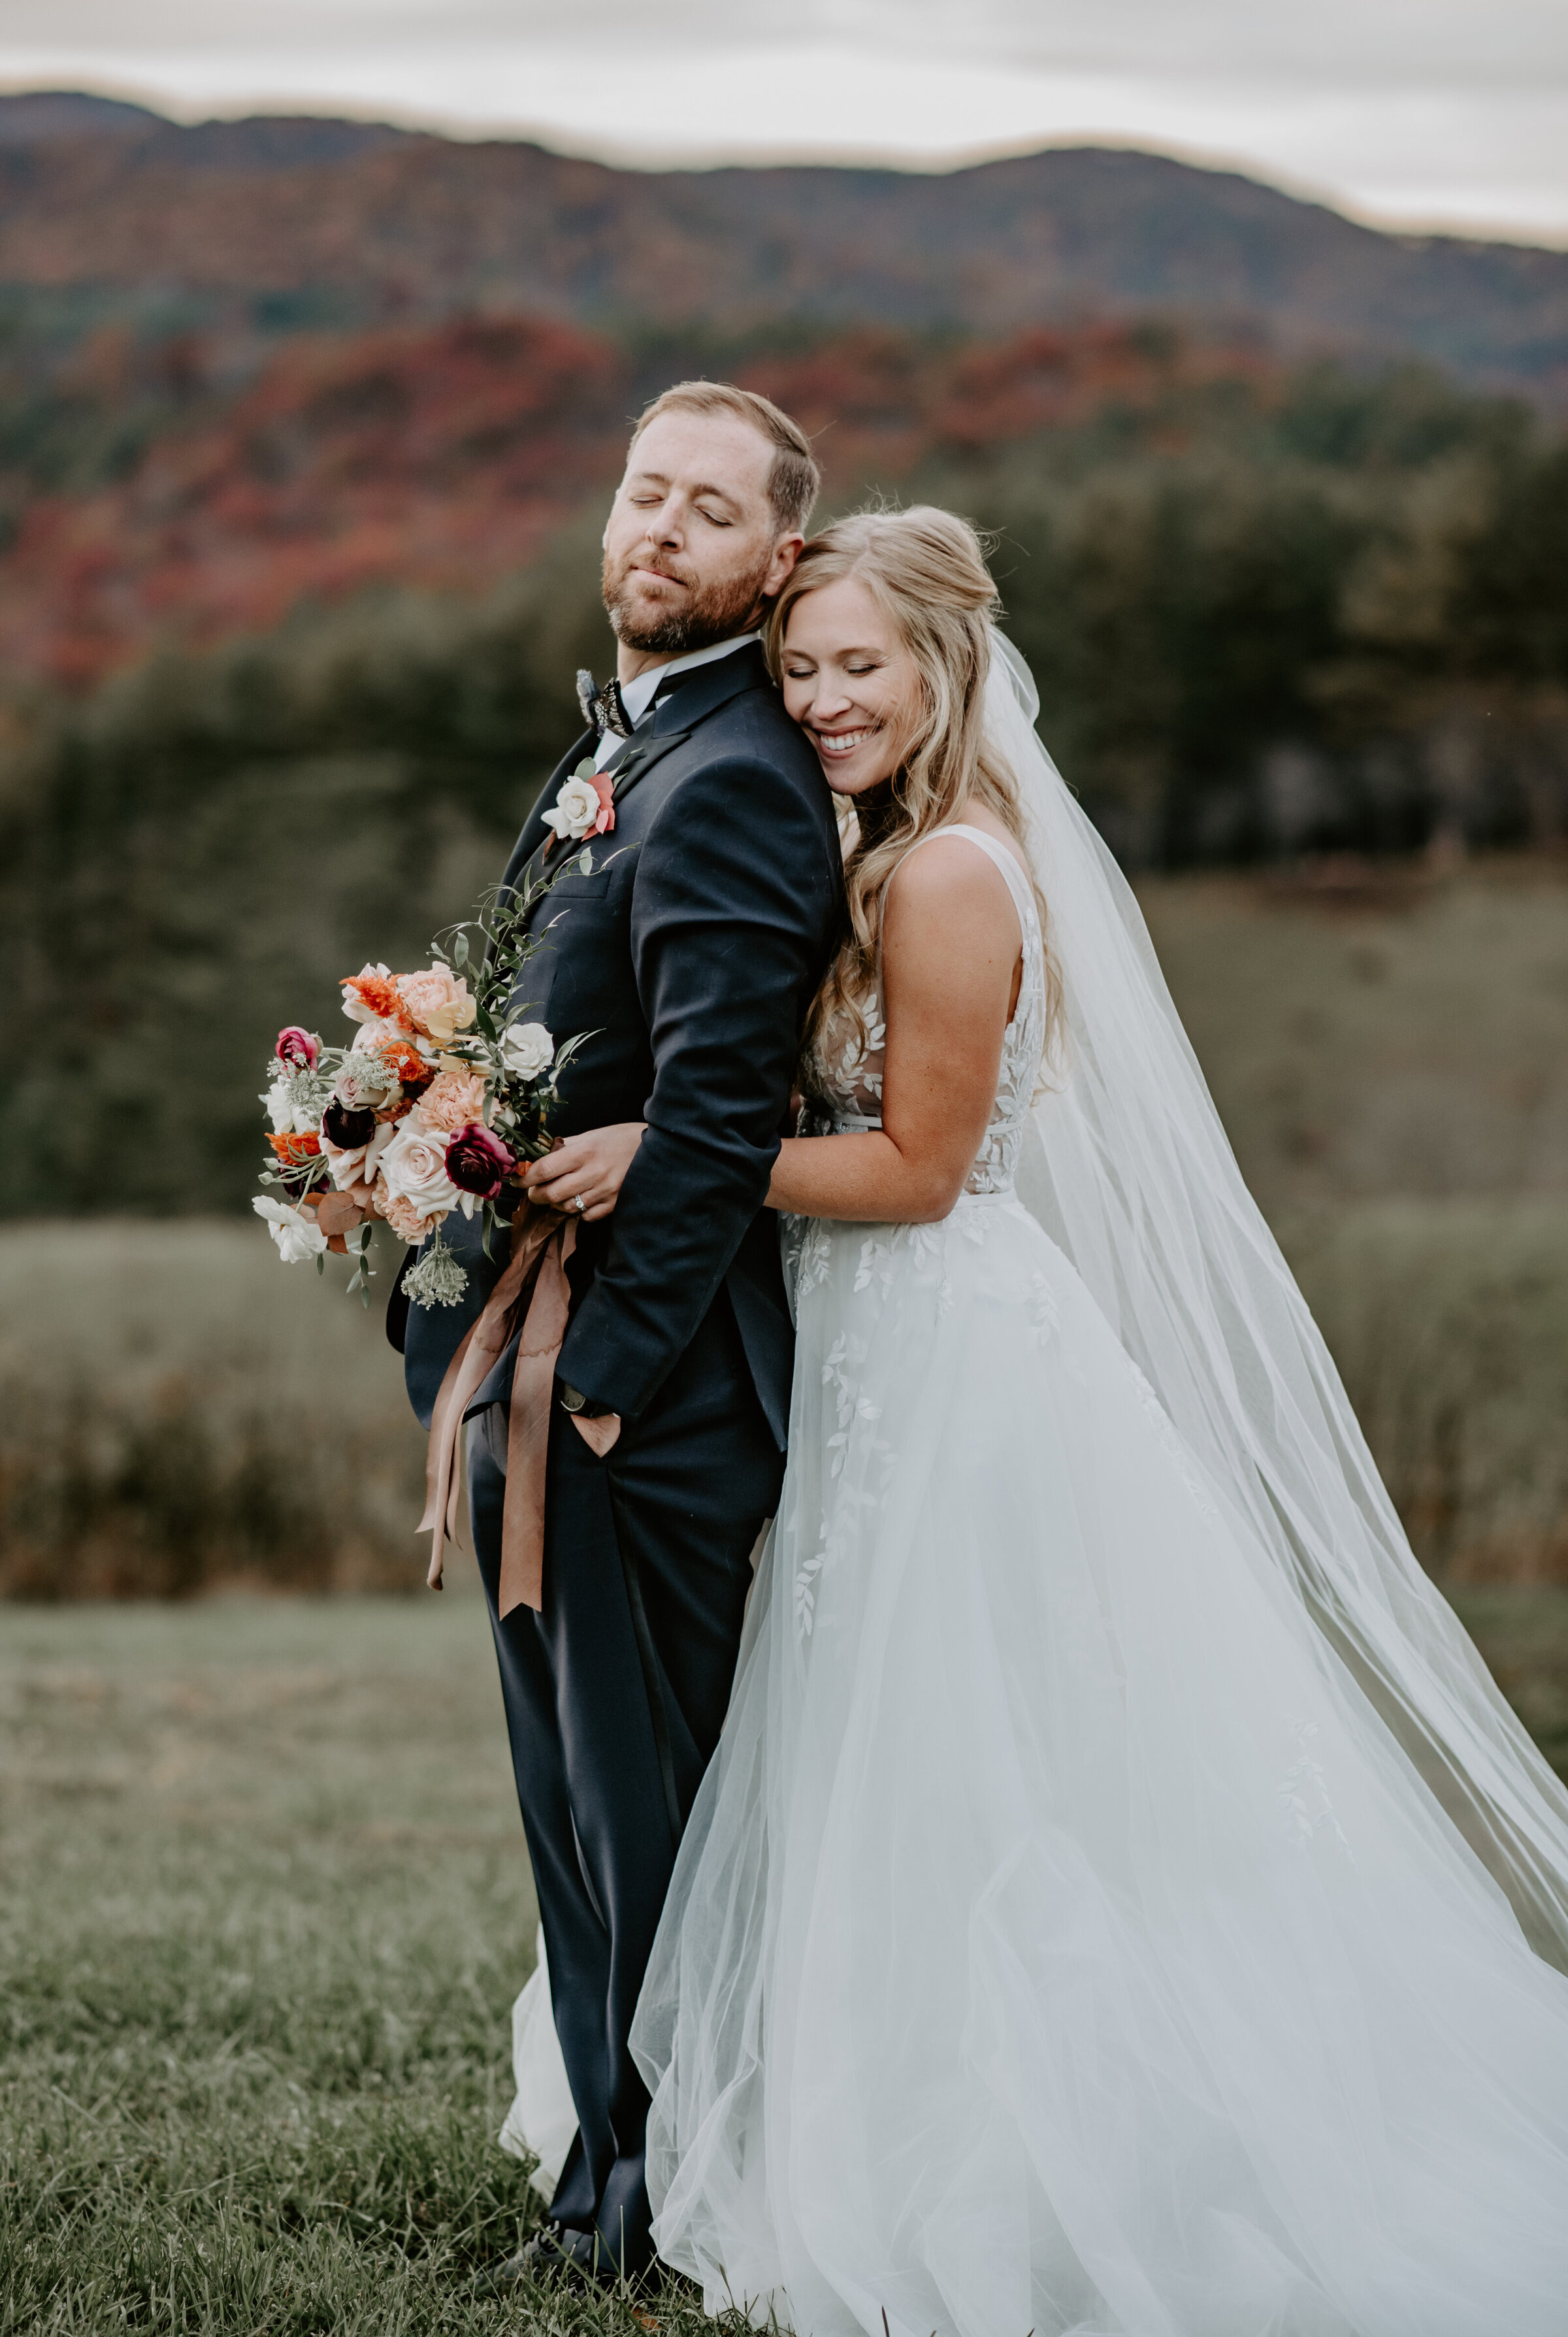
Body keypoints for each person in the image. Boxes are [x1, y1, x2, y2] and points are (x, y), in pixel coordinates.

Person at [521, 507, 1568, 2333]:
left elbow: (924, 1168)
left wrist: (680, 1157)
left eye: (866, 667)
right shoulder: (876, 849)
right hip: (864, 1353)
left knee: (989, 1768)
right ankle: (864, 2111)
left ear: (948, 671)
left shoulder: (948, 878)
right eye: (803, 669)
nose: (829, 700)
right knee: (878, 1758)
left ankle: (1050, 2150)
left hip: (949, 1360)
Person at [391, 382, 844, 2285]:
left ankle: (660, 2217)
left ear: (776, 561)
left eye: (708, 509)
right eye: (642, 492)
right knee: (579, 1820)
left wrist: (598, 1388)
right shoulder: (630, 749)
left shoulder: (734, 770)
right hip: (543, 1366)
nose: (657, 528)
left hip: (636, 1398)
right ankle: (606, 2192)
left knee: (638, 1827)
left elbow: (722, 1118)